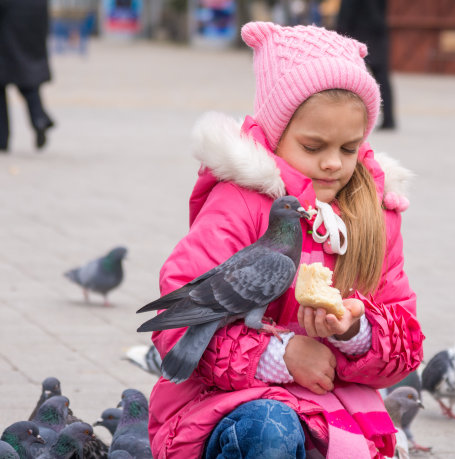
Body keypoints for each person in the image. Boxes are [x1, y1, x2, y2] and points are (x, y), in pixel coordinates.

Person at [147, 21, 423, 458]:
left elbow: (404, 348)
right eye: (314, 147)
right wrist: (280, 355)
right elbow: (180, 323)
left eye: (348, 149)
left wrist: (355, 330)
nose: (332, 163)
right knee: (271, 430)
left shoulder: (375, 217)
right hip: (229, 405)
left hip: (334, 404)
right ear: (277, 137)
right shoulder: (239, 204)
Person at [0, 0, 55, 152]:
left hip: (6, 40)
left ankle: (2, 139)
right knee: (28, 83)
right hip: (30, 39)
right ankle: (39, 118)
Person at [336, 0, 396, 130]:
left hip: (356, 35)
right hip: (378, 34)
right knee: (382, 78)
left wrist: (340, 34)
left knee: (350, 79)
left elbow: (347, 13)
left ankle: (348, 119)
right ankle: (388, 119)